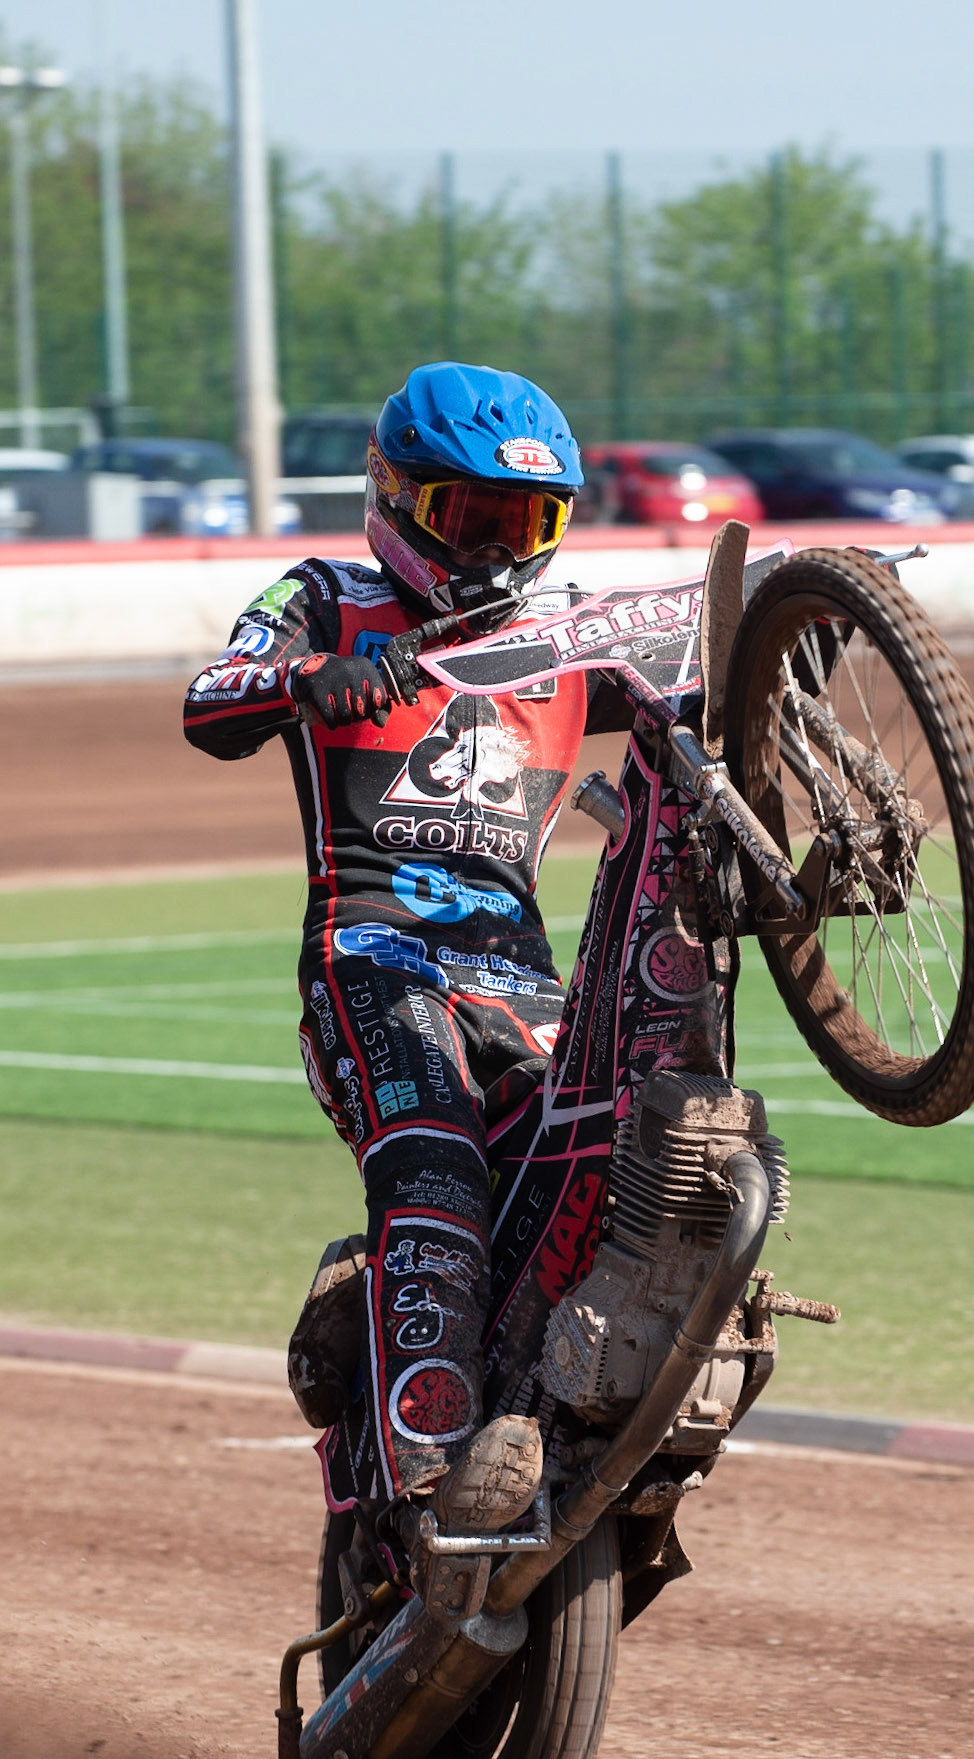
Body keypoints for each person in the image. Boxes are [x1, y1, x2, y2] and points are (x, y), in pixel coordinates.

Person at [184, 361, 620, 1562]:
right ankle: (425, 1467)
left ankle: (585, 1415)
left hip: (521, 978)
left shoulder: (562, 626)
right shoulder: (321, 592)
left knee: (608, 1170)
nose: (494, 546)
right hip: (369, 958)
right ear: (394, 496)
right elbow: (210, 700)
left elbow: (685, 683)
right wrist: (302, 678)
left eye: (522, 521)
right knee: (434, 1177)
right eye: (467, 517)